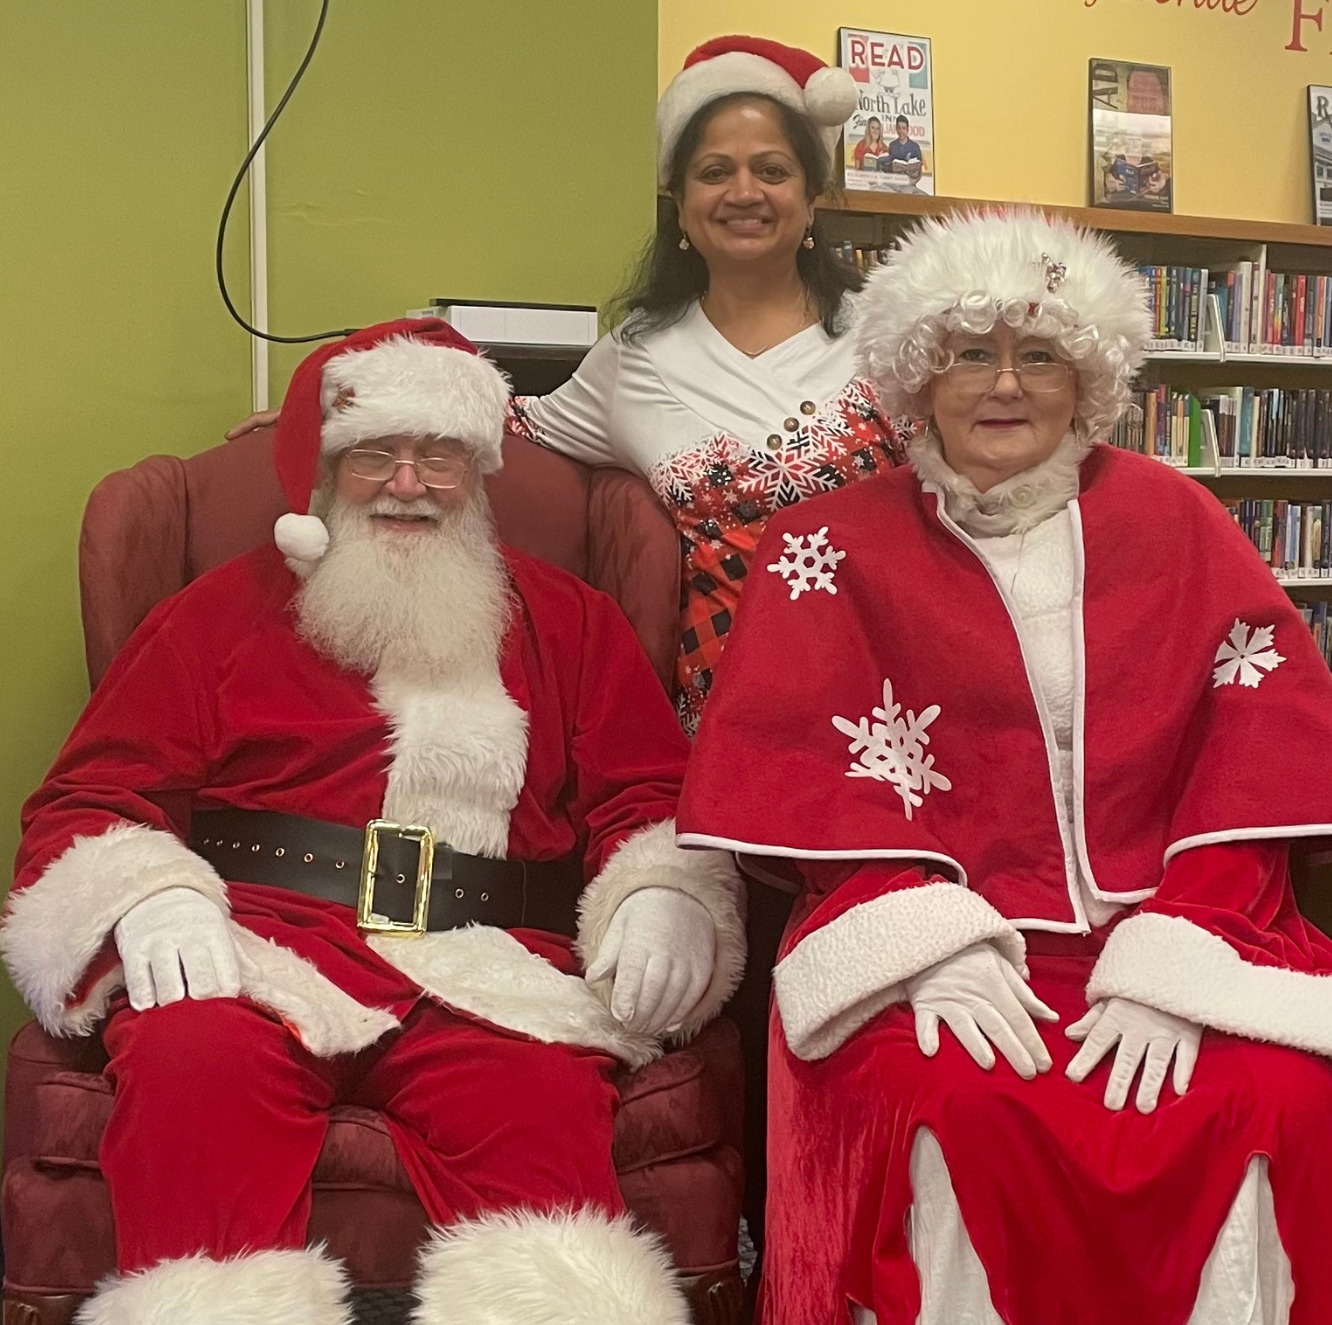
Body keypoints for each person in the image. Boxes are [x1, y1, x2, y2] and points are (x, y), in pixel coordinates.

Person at [3, 318, 745, 1325]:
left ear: (478, 471)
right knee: (193, 1068)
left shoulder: (571, 623)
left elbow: (646, 793)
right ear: (324, 473)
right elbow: (90, 792)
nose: (409, 481)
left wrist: (662, 892)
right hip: (258, 949)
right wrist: (144, 894)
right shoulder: (221, 612)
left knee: (540, 1112)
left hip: (491, 962)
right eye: (375, 455)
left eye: (438, 453)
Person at [678, 211, 1332, 1324]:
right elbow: (808, 787)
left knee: (1278, 1088)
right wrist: (920, 947)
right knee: (946, 1095)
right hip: (942, 947)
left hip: (1165, 924)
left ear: (1088, 380)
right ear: (918, 378)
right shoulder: (828, 546)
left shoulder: (1180, 519)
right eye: (972, 353)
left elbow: (1257, 735)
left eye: (1040, 356)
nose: (1005, 385)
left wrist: (1186, 951)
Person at [879, 113, 922, 181]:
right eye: (899, 128)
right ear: (896, 129)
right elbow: (888, 169)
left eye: (903, 128)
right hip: (895, 182)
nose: (901, 131)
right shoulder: (892, 145)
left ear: (907, 129)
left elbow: (919, 172)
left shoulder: (915, 147)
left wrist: (912, 182)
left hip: (910, 184)